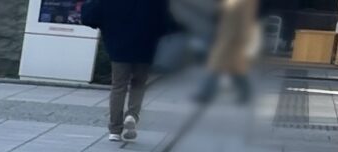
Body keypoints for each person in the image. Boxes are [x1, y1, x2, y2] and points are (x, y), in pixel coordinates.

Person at [80, 0, 172, 142]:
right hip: (146, 46)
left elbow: (90, 15)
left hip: (118, 46)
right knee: (139, 84)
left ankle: (115, 130)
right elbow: (168, 20)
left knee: (118, 86)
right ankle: (132, 115)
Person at [194, 0, 259, 104]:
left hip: (234, 39)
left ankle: (205, 94)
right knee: (234, 68)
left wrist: (243, 38)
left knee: (217, 65)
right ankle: (245, 93)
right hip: (226, 37)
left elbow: (245, 19)